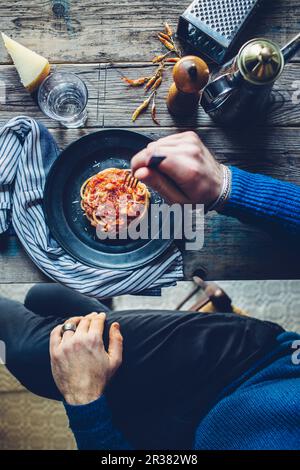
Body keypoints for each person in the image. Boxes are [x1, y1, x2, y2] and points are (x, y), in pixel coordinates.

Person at [0, 132, 300, 450]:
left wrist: (85, 401)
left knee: (27, 347)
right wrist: (226, 187)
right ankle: (98, 322)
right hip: (253, 365)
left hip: (180, 438)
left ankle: (85, 326)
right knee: (43, 300)